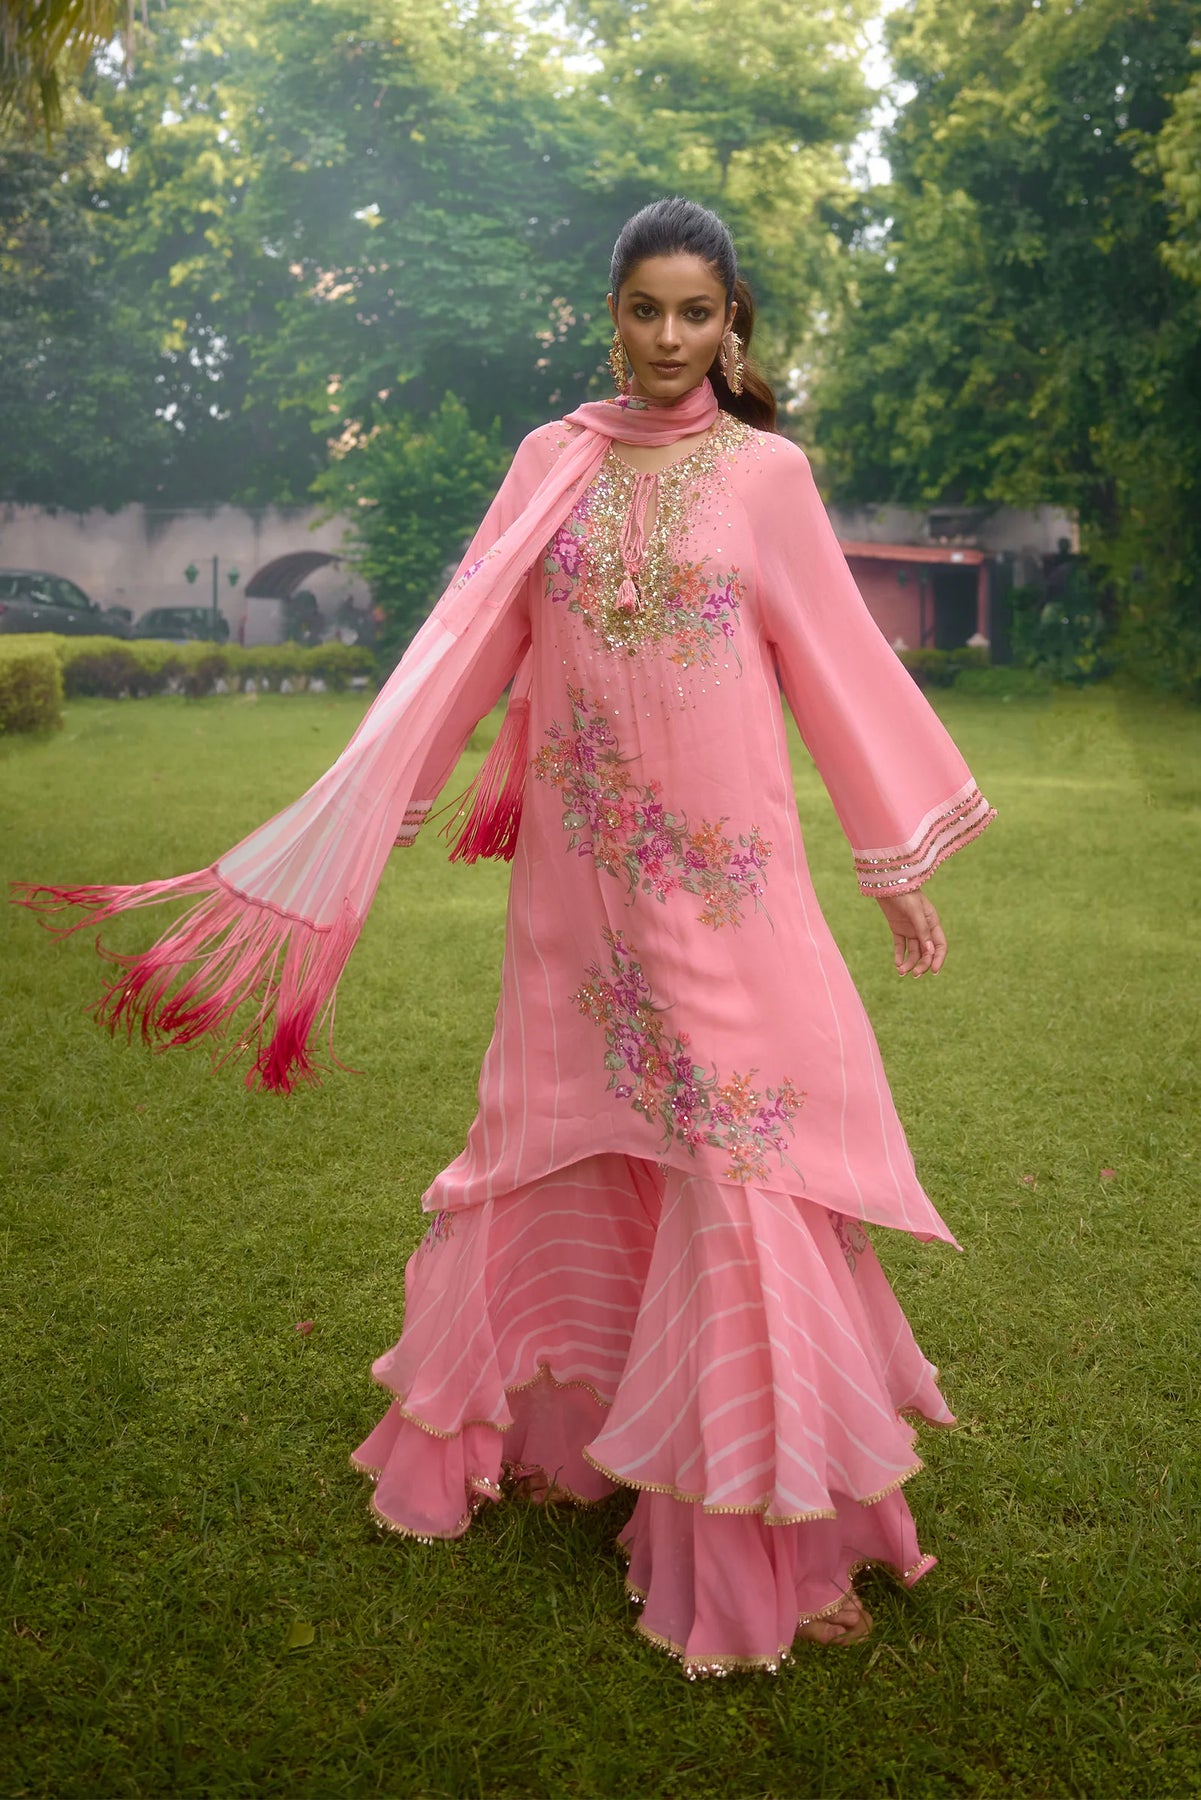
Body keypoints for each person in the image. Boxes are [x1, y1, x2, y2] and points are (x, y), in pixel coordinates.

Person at [16, 198, 993, 1678]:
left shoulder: (769, 476)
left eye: (697, 312)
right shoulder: (553, 462)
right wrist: (377, 796)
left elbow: (836, 663)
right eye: (645, 309)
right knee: (575, 1127)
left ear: (733, 323)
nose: (669, 338)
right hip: (581, 888)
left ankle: (765, 1526)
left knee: (739, 1149)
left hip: (727, 882)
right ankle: (576, 1427)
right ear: (611, 315)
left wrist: (892, 857)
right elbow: (466, 640)